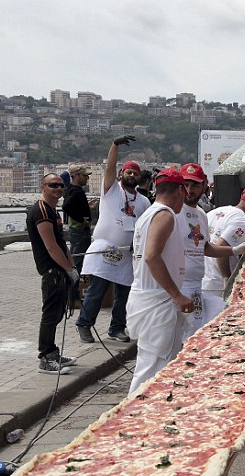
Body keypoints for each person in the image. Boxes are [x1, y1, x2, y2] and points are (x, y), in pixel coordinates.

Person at [76, 135, 151, 344]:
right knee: (97, 290)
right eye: (128, 171)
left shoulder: (144, 201)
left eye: (135, 173)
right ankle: (84, 324)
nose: (132, 175)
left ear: (139, 178)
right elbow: (108, 168)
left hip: (128, 253)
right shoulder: (111, 190)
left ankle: (117, 328)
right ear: (121, 174)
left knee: (124, 294)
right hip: (106, 248)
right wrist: (115, 145)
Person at [126, 169, 191, 393]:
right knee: (151, 368)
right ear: (181, 191)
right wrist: (176, 294)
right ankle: (130, 420)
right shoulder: (164, 214)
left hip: (148, 298)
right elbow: (152, 256)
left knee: (160, 366)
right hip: (157, 302)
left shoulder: (147, 214)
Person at [176, 163, 245, 338]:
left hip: (198, 285)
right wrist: (174, 293)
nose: (189, 190)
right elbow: (153, 255)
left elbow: (206, 247)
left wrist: (233, 250)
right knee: (176, 342)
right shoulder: (172, 213)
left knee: (198, 336)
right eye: (186, 184)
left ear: (204, 185)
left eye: (195, 184)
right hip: (179, 288)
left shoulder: (202, 214)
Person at [26, 173, 80, 375]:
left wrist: (72, 267)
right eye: (53, 185)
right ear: (43, 187)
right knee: (50, 315)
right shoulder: (41, 211)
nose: (58, 188)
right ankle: (46, 357)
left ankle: (53, 353)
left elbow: (61, 243)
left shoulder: (52, 210)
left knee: (57, 314)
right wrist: (66, 269)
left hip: (60, 269)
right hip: (51, 270)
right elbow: (50, 246)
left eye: (61, 185)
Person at [201, 185, 245, 322]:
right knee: (219, 327)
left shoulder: (217, 211)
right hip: (217, 284)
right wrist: (227, 278)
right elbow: (221, 248)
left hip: (202, 278)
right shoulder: (242, 221)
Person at [62, 164, 95, 302]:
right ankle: (73, 295)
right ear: (75, 176)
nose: (87, 178)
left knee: (74, 260)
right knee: (78, 263)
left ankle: (72, 293)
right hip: (80, 231)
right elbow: (66, 206)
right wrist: (82, 220)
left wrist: (87, 207)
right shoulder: (77, 191)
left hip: (76, 231)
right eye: (84, 175)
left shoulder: (72, 190)